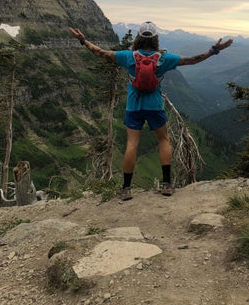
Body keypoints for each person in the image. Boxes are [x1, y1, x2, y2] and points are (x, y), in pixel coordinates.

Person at [69, 21, 233, 200]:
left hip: (134, 106)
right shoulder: (164, 58)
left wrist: (83, 40)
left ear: (139, 38)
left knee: (132, 145)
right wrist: (214, 50)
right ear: (155, 39)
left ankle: (125, 189)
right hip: (155, 106)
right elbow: (193, 60)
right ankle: (167, 185)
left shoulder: (128, 56)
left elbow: (101, 53)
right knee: (164, 141)